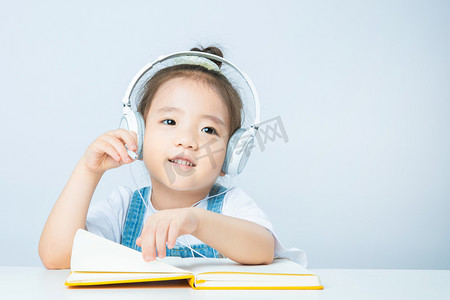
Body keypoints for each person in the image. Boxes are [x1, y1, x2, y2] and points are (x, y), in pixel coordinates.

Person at [39, 46, 304, 270]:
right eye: (170, 121)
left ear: (232, 154)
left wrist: (195, 221)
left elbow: (262, 249)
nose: (187, 140)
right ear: (139, 136)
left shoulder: (230, 206)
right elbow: (57, 255)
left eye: (209, 130)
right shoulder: (124, 208)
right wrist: (88, 170)